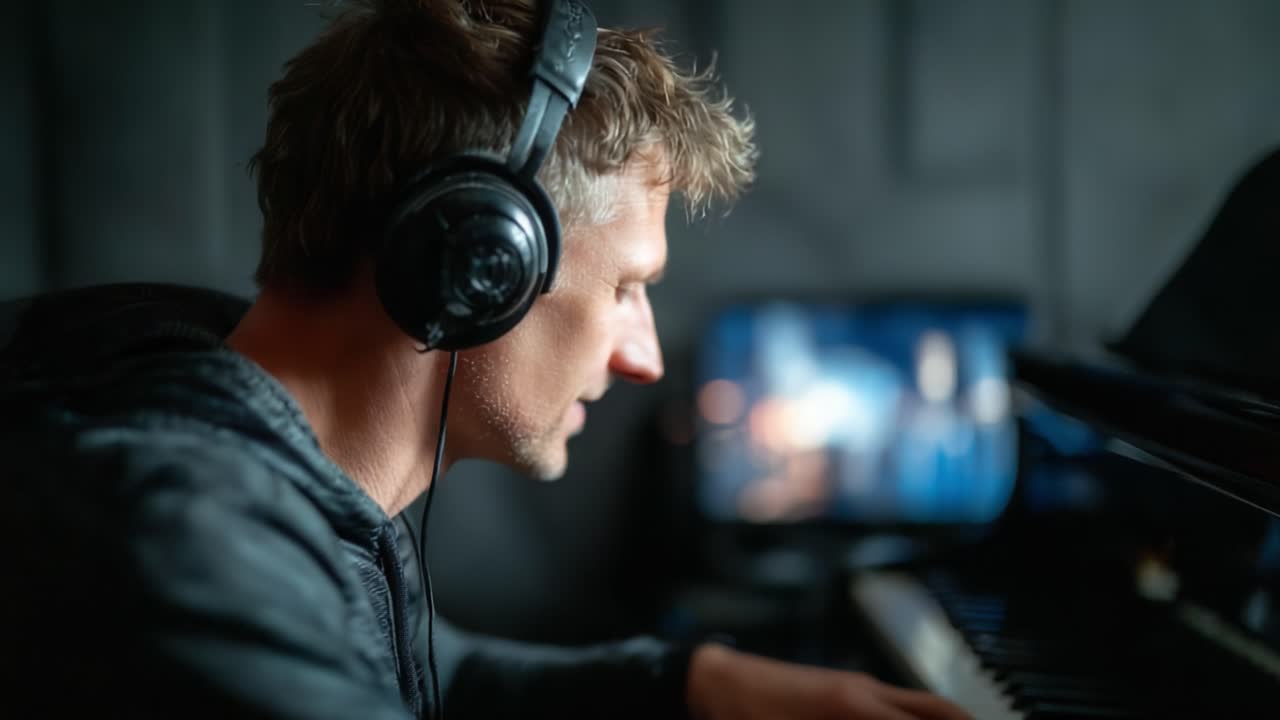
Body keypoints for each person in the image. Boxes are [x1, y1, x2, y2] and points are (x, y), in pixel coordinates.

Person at [0, 1, 969, 718]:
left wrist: (697, 682)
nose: (642, 357)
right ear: (474, 265)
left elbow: (437, 671)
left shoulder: (230, 427)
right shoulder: (176, 546)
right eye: (625, 287)